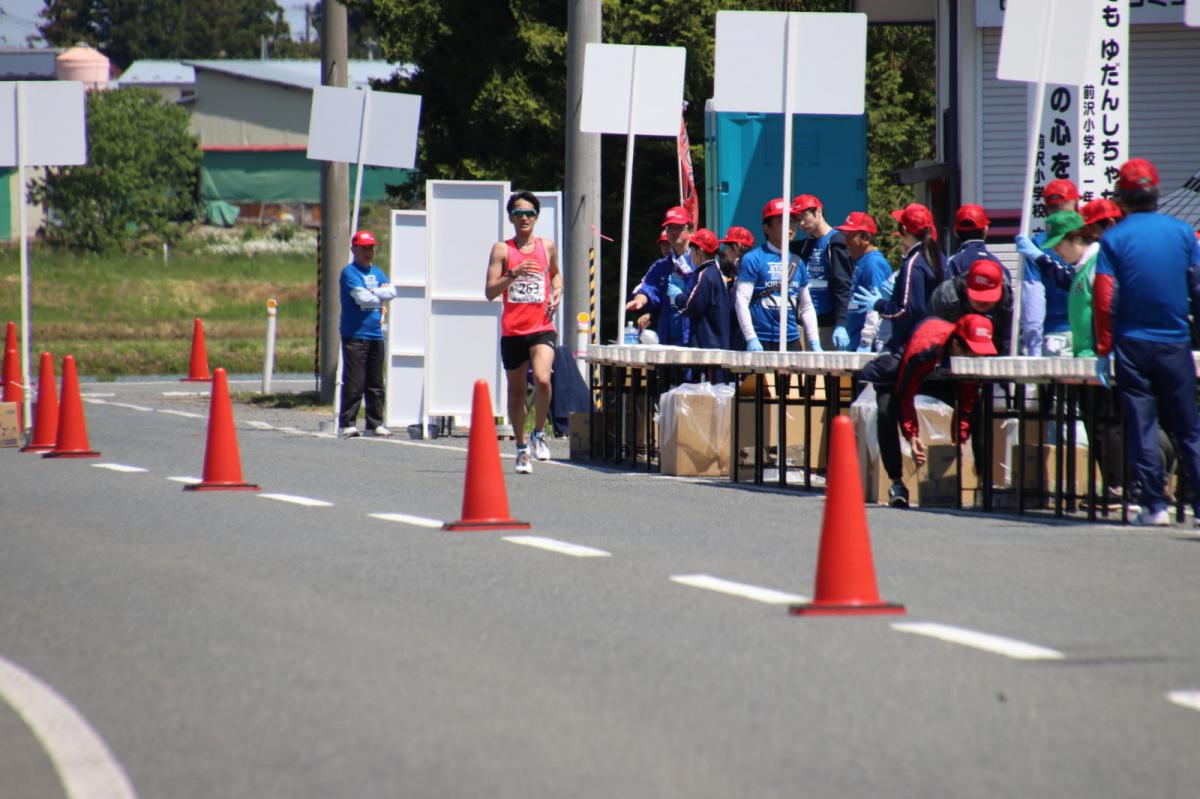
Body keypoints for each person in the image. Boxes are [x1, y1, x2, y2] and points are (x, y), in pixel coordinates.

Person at [1094, 158, 1200, 526]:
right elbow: (1197, 286)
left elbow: (1105, 295)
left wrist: (1103, 348)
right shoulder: (1184, 233)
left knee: (1141, 424)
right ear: (1156, 193)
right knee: (1189, 427)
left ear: (1121, 197)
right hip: (1175, 341)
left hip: (1132, 343)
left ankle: (1154, 505)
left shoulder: (1113, 238)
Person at [881, 314, 998, 507]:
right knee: (886, 408)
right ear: (955, 344)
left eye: (981, 353)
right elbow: (905, 394)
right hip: (907, 369)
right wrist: (912, 436)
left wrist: (960, 438)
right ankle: (896, 482)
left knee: (980, 405)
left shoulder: (972, 358)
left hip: (946, 379)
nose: (977, 357)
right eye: (972, 352)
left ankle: (983, 484)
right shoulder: (923, 348)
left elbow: (967, 398)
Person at [485, 190, 563, 475]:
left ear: (537, 217)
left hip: (542, 326)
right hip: (513, 331)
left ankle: (539, 433)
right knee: (516, 394)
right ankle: (520, 448)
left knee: (543, 379)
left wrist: (557, 291)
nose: (524, 218)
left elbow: (555, 273)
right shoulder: (502, 250)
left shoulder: (547, 246)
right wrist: (513, 274)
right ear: (510, 218)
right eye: (518, 214)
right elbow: (489, 292)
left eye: (529, 213)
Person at [734, 198, 821, 352]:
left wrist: (814, 342)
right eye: (783, 221)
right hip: (761, 339)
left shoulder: (798, 262)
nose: (790, 226)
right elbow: (741, 301)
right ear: (766, 228)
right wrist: (751, 338)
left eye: (793, 221)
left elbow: (807, 306)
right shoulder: (753, 259)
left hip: (792, 339)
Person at [338, 229, 396, 438]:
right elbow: (361, 298)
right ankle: (347, 423)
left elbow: (392, 292)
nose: (368, 252)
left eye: (371, 247)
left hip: (375, 334)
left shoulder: (377, 272)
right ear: (354, 249)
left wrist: (374, 293)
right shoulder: (349, 273)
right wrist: (377, 294)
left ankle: (374, 423)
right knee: (354, 381)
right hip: (354, 334)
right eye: (364, 248)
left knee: (376, 382)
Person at [1015, 210, 1091, 356]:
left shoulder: (1097, 264)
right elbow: (1065, 279)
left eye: (1058, 244)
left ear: (1075, 237)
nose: (1055, 251)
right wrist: (1038, 257)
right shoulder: (1082, 269)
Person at [1021, 178, 1080, 355]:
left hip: (1052, 338)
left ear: (1046, 209)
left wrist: (1033, 348)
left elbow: (1033, 300)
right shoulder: (1091, 238)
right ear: (1076, 205)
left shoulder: (1036, 246)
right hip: (1089, 336)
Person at [790, 194, 855, 350]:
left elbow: (843, 285)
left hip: (828, 325)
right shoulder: (805, 245)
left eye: (804, 217)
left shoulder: (836, 241)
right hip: (805, 323)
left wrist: (841, 323)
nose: (802, 223)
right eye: (798, 220)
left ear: (818, 212)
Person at [626, 206, 695, 345]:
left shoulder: (700, 261)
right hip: (668, 336)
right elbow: (648, 288)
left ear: (690, 230)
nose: (674, 232)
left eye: (679, 227)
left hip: (695, 335)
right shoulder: (661, 266)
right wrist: (640, 300)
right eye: (670, 228)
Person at [929, 259, 1013, 355]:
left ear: (1000, 290)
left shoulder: (1008, 304)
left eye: (988, 297)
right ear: (967, 286)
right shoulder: (946, 297)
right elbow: (929, 339)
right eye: (978, 295)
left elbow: (1011, 344)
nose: (982, 301)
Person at [835, 211, 892, 352]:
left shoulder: (873, 263)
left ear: (866, 237)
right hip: (855, 343)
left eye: (850, 235)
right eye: (845, 235)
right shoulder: (862, 261)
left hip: (869, 349)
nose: (846, 240)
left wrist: (866, 343)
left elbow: (878, 307)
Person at [946, 203, 1008, 283]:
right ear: (986, 230)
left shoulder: (953, 263)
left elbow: (946, 293)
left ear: (955, 232)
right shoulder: (997, 264)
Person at [718, 225, 755, 350]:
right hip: (733, 329)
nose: (725, 250)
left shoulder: (748, 268)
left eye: (728, 246)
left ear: (737, 247)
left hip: (744, 330)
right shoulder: (731, 269)